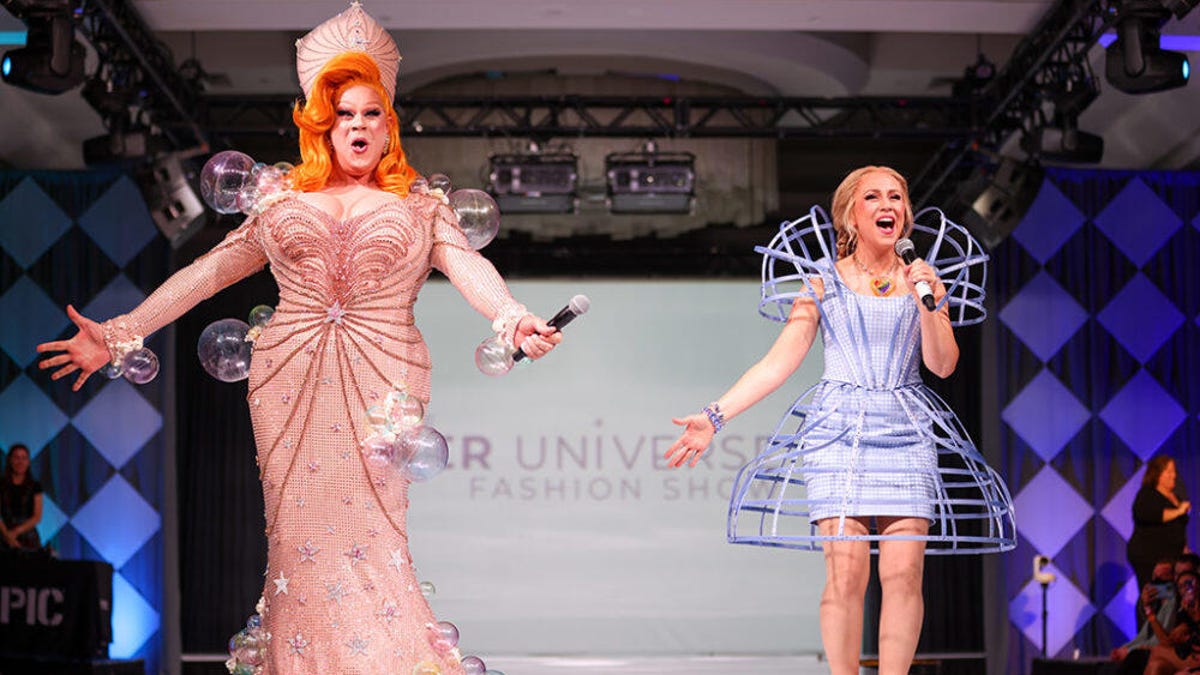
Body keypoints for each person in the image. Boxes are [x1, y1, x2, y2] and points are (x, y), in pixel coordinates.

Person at [35, 4, 560, 673]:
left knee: (375, 537)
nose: (360, 126)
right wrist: (119, 332)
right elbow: (206, 272)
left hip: (384, 383)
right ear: (322, 122)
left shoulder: (420, 203)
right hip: (287, 380)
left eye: (373, 113)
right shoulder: (280, 197)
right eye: (345, 113)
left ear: (388, 123)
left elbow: (469, 266)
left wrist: (510, 316)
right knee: (297, 544)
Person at [666, 166, 1014, 675]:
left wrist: (929, 302)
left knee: (904, 575)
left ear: (906, 213)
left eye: (895, 196)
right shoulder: (822, 281)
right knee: (846, 573)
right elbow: (778, 362)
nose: (886, 204)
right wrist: (715, 416)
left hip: (906, 428)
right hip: (839, 432)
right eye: (872, 197)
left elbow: (942, 364)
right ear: (851, 214)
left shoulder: (925, 279)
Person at [1129, 455, 1191, 620]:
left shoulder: (1175, 497)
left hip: (1173, 558)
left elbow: (1178, 528)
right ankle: (1149, 633)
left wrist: (1185, 551)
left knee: (1173, 596)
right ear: (1157, 474)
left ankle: (1168, 634)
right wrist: (1179, 511)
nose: (1174, 475)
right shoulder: (1146, 495)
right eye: (1168, 471)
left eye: (1174, 471)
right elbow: (1152, 515)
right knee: (1154, 595)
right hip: (1150, 557)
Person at [0, 444, 43, 552]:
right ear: (10, 460)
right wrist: (7, 535)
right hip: (3, 533)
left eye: (24, 458)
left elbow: (37, 516)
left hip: (27, 535)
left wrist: (15, 532)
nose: (20, 462)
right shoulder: (1, 484)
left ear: (28, 462)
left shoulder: (35, 486)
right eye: (16, 458)